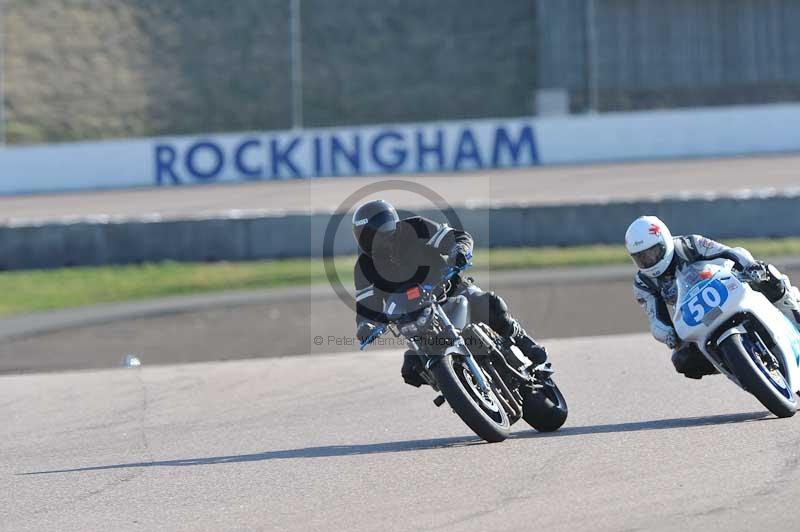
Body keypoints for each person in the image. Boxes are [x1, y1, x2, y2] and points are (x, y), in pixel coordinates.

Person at [352, 199, 547, 387]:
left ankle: (522, 339)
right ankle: (454, 386)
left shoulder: (417, 227)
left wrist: (458, 250)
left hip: (450, 290)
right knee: (411, 370)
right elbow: (366, 307)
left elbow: (457, 238)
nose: (377, 239)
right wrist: (366, 325)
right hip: (415, 319)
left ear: (393, 223)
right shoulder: (363, 268)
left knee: (488, 303)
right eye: (367, 235)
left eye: (382, 230)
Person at [625, 215, 800, 379]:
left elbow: (729, 252)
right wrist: (667, 334)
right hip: (698, 316)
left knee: (769, 276)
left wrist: (750, 266)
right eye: (641, 257)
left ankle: (795, 312)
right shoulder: (643, 283)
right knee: (683, 360)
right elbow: (656, 319)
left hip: (728, 286)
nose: (649, 260)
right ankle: (738, 366)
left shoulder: (689, 244)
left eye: (653, 252)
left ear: (664, 243)